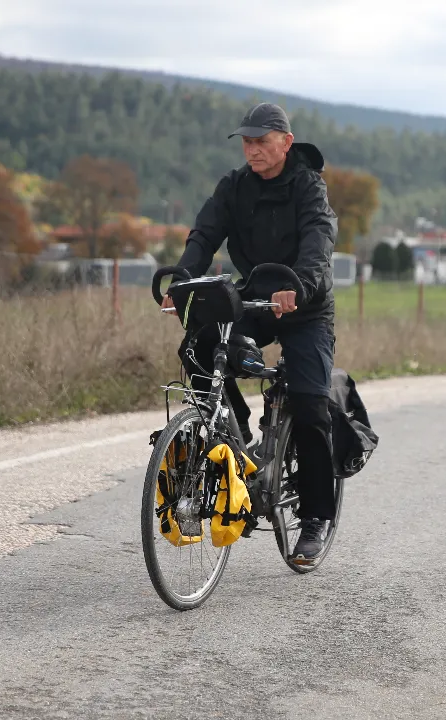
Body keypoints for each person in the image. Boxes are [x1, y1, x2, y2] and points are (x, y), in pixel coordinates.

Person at [160, 102, 339, 563]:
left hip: (304, 305)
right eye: (247, 142)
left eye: (261, 141)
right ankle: (234, 429)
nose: (252, 150)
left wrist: (300, 285)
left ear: (286, 142)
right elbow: (205, 235)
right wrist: (182, 281)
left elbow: (318, 241)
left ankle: (315, 517)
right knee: (200, 344)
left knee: (310, 404)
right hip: (255, 299)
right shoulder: (234, 186)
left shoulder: (309, 187)